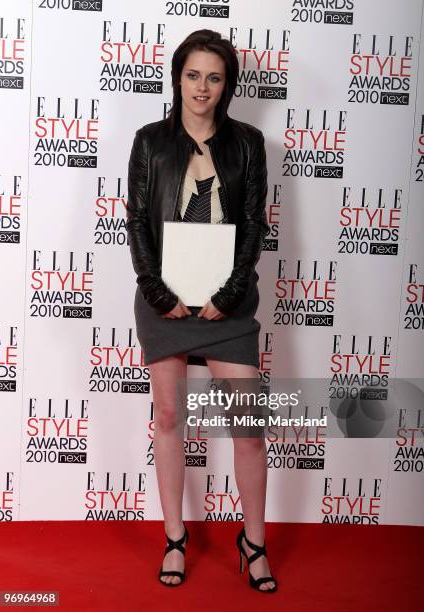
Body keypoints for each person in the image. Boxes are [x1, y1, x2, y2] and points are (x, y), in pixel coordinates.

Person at [126, 29, 277, 593]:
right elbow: (137, 221)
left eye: (214, 77)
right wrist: (159, 292)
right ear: (178, 78)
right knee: (168, 418)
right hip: (164, 303)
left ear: (227, 84)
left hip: (228, 306)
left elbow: (256, 225)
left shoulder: (248, 143)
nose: (202, 87)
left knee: (249, 429)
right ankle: (174, 537)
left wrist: (230, 294)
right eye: (193, 75)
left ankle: (253, 542)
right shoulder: (150, 141)